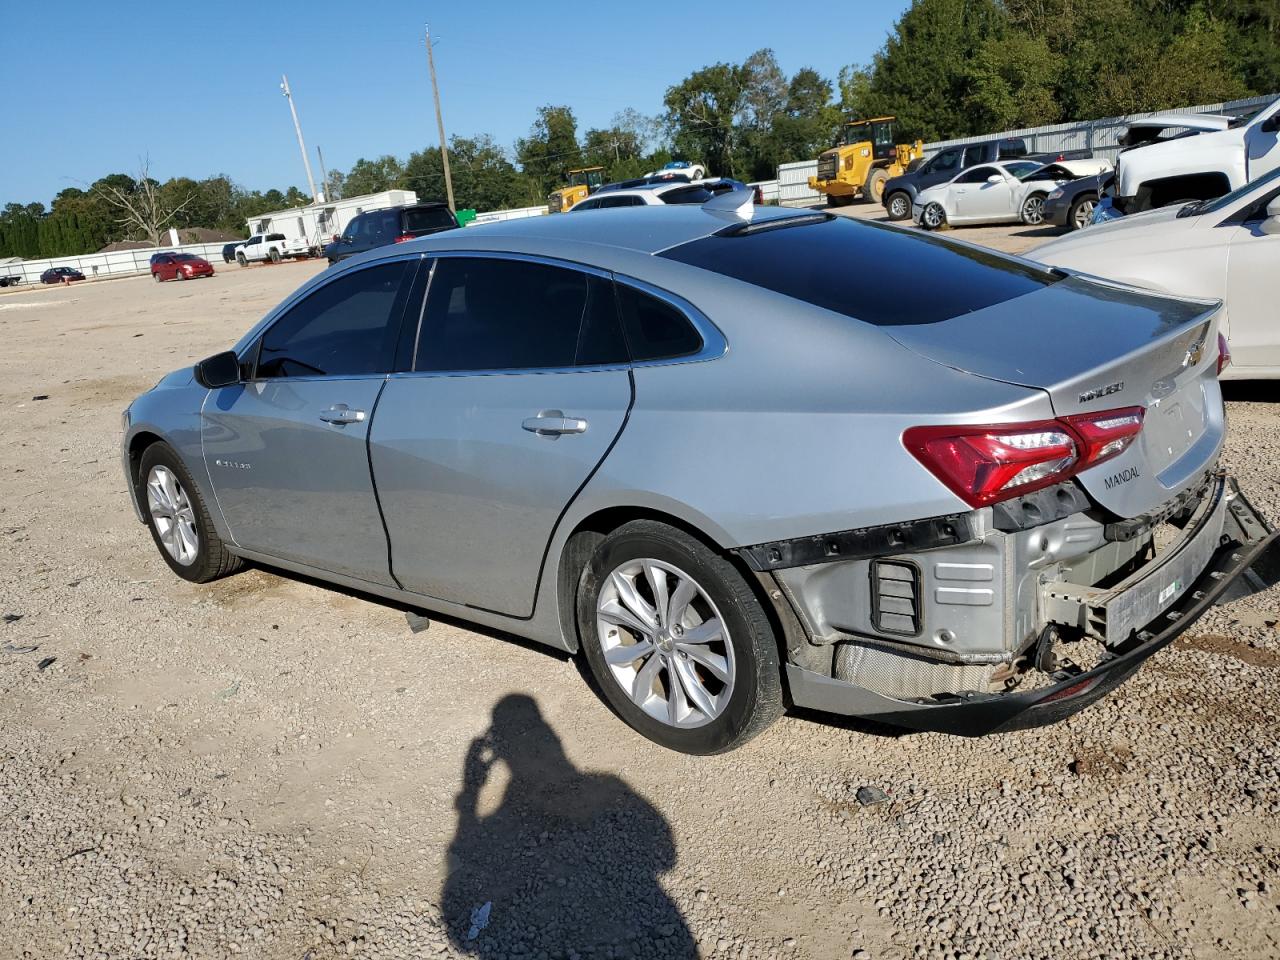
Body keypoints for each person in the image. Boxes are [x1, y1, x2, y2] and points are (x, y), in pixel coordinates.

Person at [443, 694, 695, 958]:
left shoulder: (603, 785)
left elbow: (460, 934)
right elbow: (666, 857)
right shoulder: (608, 784)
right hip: (662, 917)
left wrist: (470, 794)